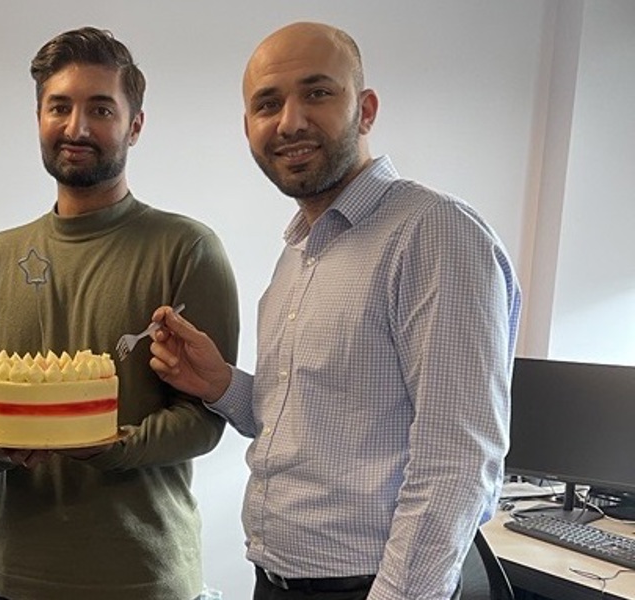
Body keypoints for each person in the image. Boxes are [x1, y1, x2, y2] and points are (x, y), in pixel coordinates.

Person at [148, 22, 522, 600]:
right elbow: (303, 421)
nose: (290, 121)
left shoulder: (434, 233)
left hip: (371, 587)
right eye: (267, 104)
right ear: (248, 128)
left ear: (365, 110)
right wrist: (220, 383)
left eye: (317, 93)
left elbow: (458, 459)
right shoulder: (299, 249)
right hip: (275, 579)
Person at [0, 27, 240, 600]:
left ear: (135, 125)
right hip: (13, 578)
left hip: (146, 577)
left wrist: (112, 446)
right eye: (60, 107)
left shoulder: (188, 250)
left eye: (100, 109)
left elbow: (205, 420)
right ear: (38, 118)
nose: (76, 128)